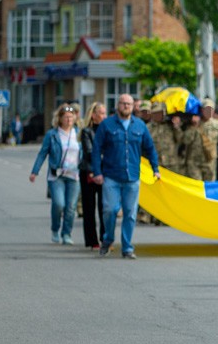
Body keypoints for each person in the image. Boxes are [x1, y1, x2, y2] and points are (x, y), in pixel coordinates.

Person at [90, 93, 161, 258]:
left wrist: (155, 168)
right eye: (123, 103)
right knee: (109, 210)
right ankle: (107, 239)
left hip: (132, 177)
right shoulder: (107, 125)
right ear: (118, 106)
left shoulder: (140, 126)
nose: (126, 106)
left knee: (130, 213)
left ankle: (127, 247)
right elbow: (96, 150)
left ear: (133, 106)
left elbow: (150, 148)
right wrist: (97, 172)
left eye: (129, 104)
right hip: (111, 176)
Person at [30, 103, 83, 245]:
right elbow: (42, 153)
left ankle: (66, 233)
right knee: (59, 204)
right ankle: (55, 229)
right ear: (59, 118)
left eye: (71, 117)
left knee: (71, 207)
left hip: (74, 175)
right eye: (66, 117)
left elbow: (84, 153)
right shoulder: (52, 135)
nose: (68, 120)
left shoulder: (78, 133)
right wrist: (35, 171)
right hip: (57, 175)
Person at [79, 102, 107, 248]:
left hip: (105, 173)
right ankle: (91, 240)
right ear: (93, 115)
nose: (104, 116)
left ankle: (105, 238)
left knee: (105, 207)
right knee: (89, 208)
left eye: (104, 113)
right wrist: (105, 157)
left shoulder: (108, 130)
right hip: (89, 172)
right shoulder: (86, 131)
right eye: (101, 113)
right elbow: (89, 152)